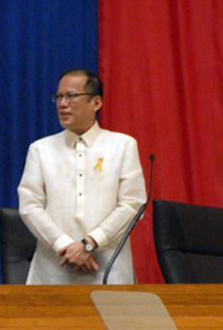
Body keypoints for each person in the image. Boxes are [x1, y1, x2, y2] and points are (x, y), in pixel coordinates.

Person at [17, 69, 147, 284]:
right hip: (55, 266)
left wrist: (89, 243)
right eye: (58, 97)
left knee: (111, 317)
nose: (62, 104)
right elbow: (30, 206)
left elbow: (133, 204)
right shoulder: (41, 149)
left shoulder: (122, 146)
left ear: (96, 102)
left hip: (108, 265)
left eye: (71, 96)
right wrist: (65, 245)